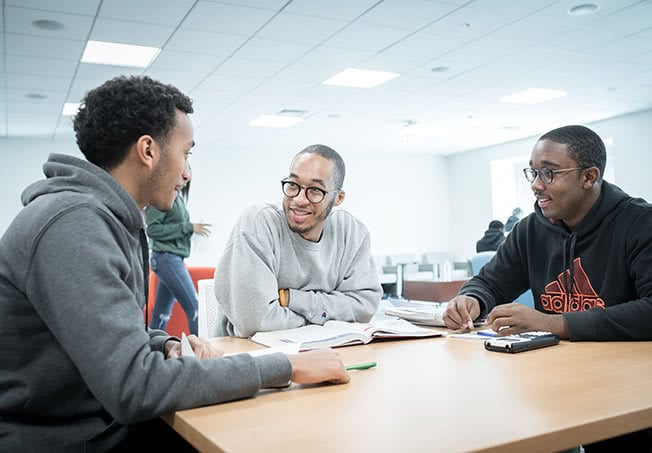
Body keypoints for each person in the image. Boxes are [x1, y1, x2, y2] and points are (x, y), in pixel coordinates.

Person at [0, 75, 349, 452]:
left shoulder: (105, 219)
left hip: (95, 424)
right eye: (186, 153)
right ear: (148, 151)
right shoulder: (73, 225)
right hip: (63, 440)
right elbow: (134, 387)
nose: (187, 173)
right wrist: (286, 366)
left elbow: (109, 338)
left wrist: (163, 343)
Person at [443, 124, 652, 452]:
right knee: (501, 421)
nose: (536, 186)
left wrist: (554, 323)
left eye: (549, 174)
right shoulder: (531, 229)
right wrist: (472, 299)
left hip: (638, 382)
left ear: (589, 176)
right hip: (562, 377)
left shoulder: (643, 223)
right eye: (533, 172)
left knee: (617, 437)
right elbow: (490, 281)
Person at [214, 144, 382, 337]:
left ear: (338, 198)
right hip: (252, 356)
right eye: (293, 185)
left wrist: (290, 298)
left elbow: (364, 308)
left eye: (315, 190)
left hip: (325, 353)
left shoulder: (352, 232)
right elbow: (257, 323)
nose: (300, 200)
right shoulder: (259, 223)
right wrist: (326, 321)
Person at [146, 163, 211, 335]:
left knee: (162, 314)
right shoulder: (161, 197)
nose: (186, 175)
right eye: (182, 168)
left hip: (172, 258)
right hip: (166, 259)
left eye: (189, 169)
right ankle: (205, 357)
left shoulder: (177, 198)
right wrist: (188, 227)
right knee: (195, 308)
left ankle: (152, 353)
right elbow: (152, 229)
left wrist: (189, 229)